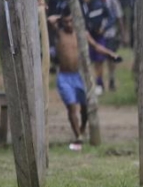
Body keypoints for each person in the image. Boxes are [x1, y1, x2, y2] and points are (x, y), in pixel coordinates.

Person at [49, 9, 121, 151]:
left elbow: (96, 46)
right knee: (71, 107)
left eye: (71, 21)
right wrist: (60, 17)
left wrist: (111, 54)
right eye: (66, 22)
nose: (69, 24)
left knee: (85, 107)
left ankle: (82, 129)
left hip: (80, 76)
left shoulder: (82, 34)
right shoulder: (59, 33)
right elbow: (49, 20)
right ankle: (78, 136)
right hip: (64, 76)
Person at [80, 0, 110, 94]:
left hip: (98, 37)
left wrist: (104, 28)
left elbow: (110, 17)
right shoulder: (83, 7)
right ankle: (89, 84)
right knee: (88, 61)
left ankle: (99, 83)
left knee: (99, 61)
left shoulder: (99, 5)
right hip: (87, 38)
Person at [103, 0, 125, 92]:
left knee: (111, 57)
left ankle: (111, 77)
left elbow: (119, 17)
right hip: (99, 34)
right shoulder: (96, 0)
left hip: (111, 34)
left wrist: (122, 33)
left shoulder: (113, 1)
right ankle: (100, 81)